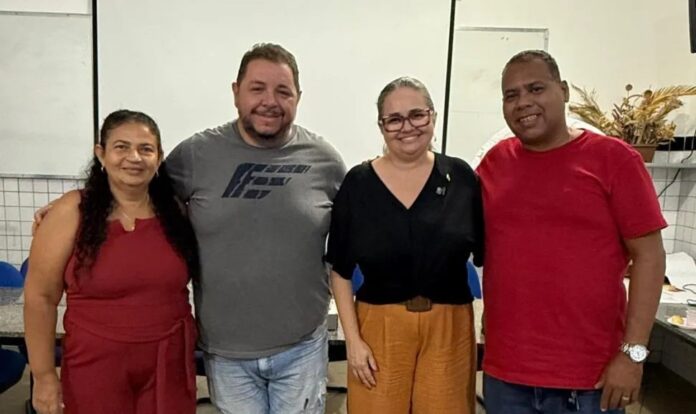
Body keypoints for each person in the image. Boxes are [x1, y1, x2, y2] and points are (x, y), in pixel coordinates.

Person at [476, 50, 666, 414]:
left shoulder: (615, 160)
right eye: (511, 95)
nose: (523, 102)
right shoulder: (493, 164)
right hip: (507, 374)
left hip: (590, 379)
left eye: (535, 88)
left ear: (563, 91)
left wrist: (633, 354)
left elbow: (650, 257)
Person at [165, 43, 345, 414]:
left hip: (302, 347)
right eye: (257, 88)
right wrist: (75, 204)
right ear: (236, 93)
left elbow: (360, 224)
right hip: (226, 353)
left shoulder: (325, 161)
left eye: (283, 91)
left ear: (298, 97)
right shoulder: (195, 155)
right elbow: (133, 194)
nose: (270, 101)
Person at [24, 110, 200, 414]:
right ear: (101, 154)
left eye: (146, 149)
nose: (134, 157)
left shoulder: (176, 211)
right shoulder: (71, 211)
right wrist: (43, 375)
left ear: (159, 158)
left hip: (169, 362)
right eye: (121, 147)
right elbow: (40, 297)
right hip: (95, 365)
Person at [327, 76, 484, 413]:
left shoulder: (461, 178)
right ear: (381, 126)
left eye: (417, 115)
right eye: (394, 119)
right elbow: (339, 271)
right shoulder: (358, 184)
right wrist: (353, 342)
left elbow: (489, 258)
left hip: (449, 328)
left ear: (433, 116)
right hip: (378, 329)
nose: (407, 127)